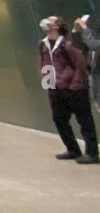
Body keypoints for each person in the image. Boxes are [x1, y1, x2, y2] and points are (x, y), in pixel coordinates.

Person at [37, 15, 97, 164]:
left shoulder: (68, 43)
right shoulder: (43, 44)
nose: (46, 22)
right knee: (59, 119)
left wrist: (75, 85)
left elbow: (80, 64)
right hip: (56, 89)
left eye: (50, 20)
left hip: (75, 89)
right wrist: (49, 86)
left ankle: (92, 153)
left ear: (57, 26)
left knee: (84, 121)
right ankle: (73, 150)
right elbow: (45, 64)